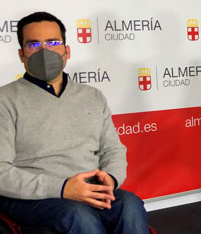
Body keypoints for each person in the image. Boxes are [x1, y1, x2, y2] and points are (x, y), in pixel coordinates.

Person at [0, 12, 149, 233]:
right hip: (34, 197)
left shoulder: (92, 96)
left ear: (66, 51)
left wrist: (111, 178)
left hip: (91, 188)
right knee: (79, 216)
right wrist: (62, 188)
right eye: (33, 45)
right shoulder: (5, 100)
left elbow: (113, 150)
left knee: (130, 204)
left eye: (53, 42)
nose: (44, 51)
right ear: (21, 55)